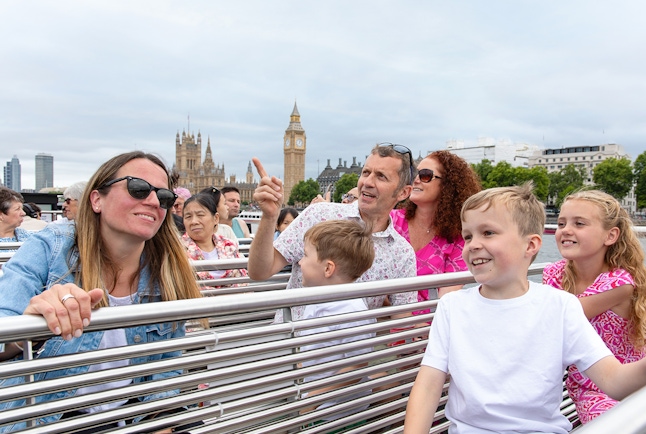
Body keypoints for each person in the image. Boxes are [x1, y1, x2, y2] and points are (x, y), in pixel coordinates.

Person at [404, 183, 646, 434]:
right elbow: (429, 384)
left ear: (530, 245)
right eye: (468, 236)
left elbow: (613, 381)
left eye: (488, 233)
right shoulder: (452, 307)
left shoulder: (561, 306)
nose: (473, 245)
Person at [0, 151, 202, 432]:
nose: (154, 201)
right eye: (138, 188)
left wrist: (159, 419)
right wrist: (30, 327)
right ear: (97, 200)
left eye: (165, 197)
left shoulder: (167, 269)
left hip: (132, 413)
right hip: (49, 417)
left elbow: (167, 366)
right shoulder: (50, 248)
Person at [248, 143, 418, 322]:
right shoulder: (319, 215)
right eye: (366, 172)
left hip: (352, 348)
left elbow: (402, 323)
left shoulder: (402, 254)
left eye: (381, 177)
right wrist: (269, 217)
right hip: (294, 341)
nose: (367, 182)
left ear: (403, 192)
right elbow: (259, 272)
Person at [543, 189, 646, 424]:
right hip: (589, 387)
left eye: (579, 223)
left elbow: (557, 320)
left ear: (610, 236)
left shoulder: (619, 283)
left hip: (630, 382)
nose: (566, 230)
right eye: (561, 223)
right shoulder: (553, 274)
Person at [297, 220, 376, 420]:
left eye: (305, 255)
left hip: (337, 412)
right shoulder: (316, 296)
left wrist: (314, 399)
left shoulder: (352, 311)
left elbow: (355, 366)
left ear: (328, 269)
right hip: (312, 399)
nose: (300, 262)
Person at [390, 150, 481, 314]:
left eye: (425, 175)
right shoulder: (391, 221)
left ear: (447, 186)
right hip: (382, 322)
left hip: (426, 328)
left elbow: (445, 299)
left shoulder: (459, 239)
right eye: (414, 174)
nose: (416, 180)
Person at [181, 193, 247, 286]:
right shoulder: (178, 249)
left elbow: (243, 282)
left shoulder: (229, 246)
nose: (194, 221)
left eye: (200, 215)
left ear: (215, 218)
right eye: (188, 217)